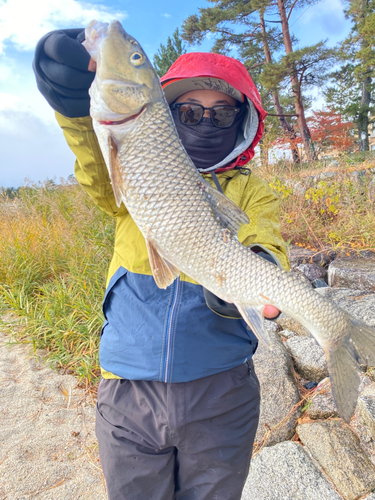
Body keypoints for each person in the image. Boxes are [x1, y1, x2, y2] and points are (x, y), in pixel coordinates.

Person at [33, 27, 290, 500]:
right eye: (190, 111)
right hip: (127, 392)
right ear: (165, 111)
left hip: (224, 395)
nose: (206, 123)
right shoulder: (129, 174)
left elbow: (267, 241)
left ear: (242, 122)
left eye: (223, 113)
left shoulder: (252, 190)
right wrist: (72, 106)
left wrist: (255, 269)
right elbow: (97, 162)